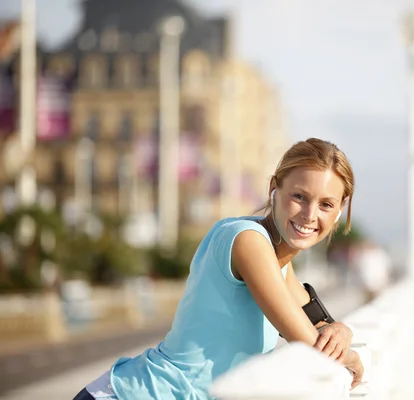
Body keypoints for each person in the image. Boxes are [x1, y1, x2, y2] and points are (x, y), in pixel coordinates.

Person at [73, 138, 364, 400]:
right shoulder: (247, 241)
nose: (310, 215)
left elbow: (320, 325)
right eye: (299, 196)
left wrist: (343, 332)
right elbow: (311, 346)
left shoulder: (280, 265)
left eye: (326, 204)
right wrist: (351, 359)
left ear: (339, 211)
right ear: (274, 188)